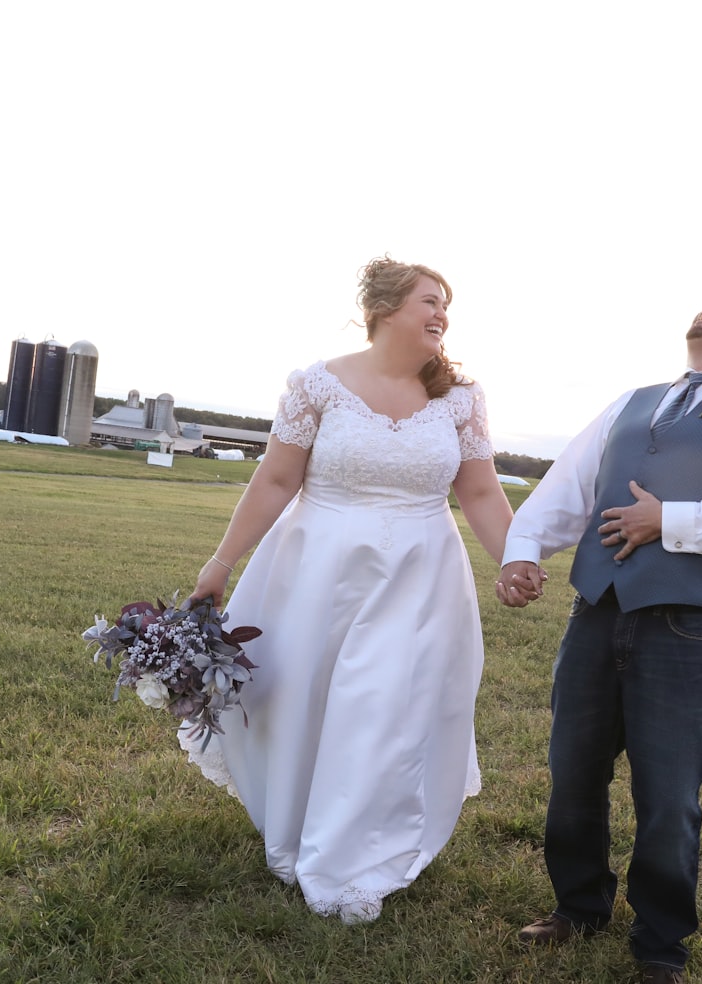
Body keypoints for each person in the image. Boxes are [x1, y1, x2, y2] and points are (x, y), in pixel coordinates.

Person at [180, 257, 515, 925]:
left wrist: (516, 560)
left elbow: (478, 490)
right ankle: (300, 824)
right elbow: (276, 481)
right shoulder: (317, 386)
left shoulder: (461, 399)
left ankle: (354, 856)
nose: (442, 313)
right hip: (317, 575)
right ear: (385, 309)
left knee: (384, 708)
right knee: (306, 701)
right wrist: (220, 564)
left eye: (446, 304)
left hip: (420, 581)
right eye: (430, 300)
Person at [496, 298, 702, 983]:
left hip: (685, 628)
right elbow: (569, 487)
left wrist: (669, 520)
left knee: (669, 797)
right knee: (573, 775)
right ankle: (578, 907)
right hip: (595, 614)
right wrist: (523, 550)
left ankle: (661, 944)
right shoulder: (630, 403)